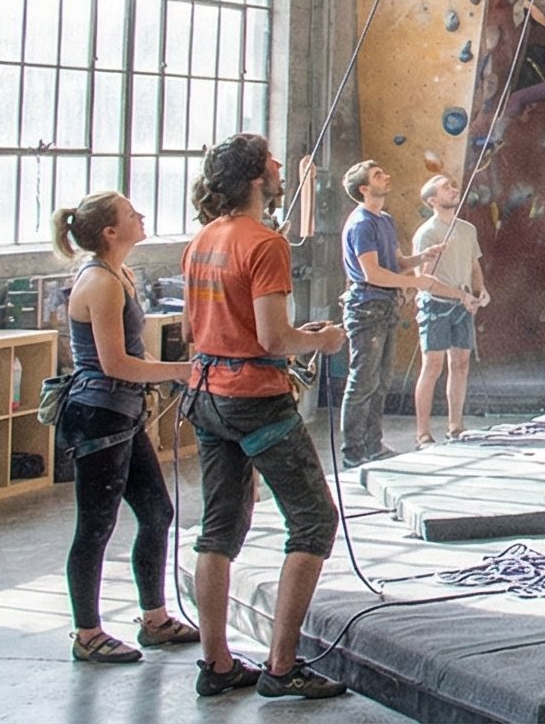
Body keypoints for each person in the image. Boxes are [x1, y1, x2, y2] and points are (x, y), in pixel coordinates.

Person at [179, 134, 350, 699]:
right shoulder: (264, 243)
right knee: (314, 521)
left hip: (206, 393)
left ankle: (217, 662)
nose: (280, 169)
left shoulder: (204, 239)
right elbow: (275, 338)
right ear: (257, 178)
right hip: (253, 396)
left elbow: (189, 330)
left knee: (219, 530)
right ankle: (281, 666)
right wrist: (321, 341)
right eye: (274, 164)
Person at [52, 191, 196, 666]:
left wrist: (167, 371)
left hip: (122, 412)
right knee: (95, 526)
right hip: (98, 414)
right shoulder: (99, 283)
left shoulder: (122, 275)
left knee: (156, 512)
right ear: (110, 232)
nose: (141, 216)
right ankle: (87, 631)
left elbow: (135, 354)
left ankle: (154, 618)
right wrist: (177, 372)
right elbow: (115, 363)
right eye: (132, 214)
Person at [336, 159, 458, 468]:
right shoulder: (361, 223)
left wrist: (422, 257)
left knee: (382, 379)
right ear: (364, 189)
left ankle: (373, 445)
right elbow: (373, 273)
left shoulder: (385, 220)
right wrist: (416, 282)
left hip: (385, 305)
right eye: (378, 175)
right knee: (363, 381)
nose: (386, 176)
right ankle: (354, 451)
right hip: (366, 306)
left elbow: (396, 261)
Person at [411, 175, 488, 447]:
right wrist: (461, 295)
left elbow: (474, 265)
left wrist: (480, 292)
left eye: (453, 186)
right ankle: (423, 434)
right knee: (432, 366)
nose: (454, 190)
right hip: (436, 307)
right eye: (446, 188)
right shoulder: (427, 233)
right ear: (433, 200)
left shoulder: (467, 230)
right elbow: (425, 280)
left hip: (462, 307)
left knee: (460, 364)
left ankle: (456, 426)